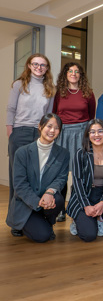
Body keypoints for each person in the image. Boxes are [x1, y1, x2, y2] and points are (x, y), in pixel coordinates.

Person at [6, 114, 69, 242]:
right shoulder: (22, 152)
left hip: (47, 200)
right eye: (49, 126)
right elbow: (19, 185)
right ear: (40, 127)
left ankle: (46, 222)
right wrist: (38, 202)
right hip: (26, 203)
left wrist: (49, 192)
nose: (52, 131)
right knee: (43, 236)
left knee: (59, 199)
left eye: (56, 128)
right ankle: (23, 223)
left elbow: (61, 179)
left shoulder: (63, 153)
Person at [7, 54, 55, 219]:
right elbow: (10, 110)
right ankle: (15, 219)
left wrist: (47, 135)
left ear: (47, 68)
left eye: (43, 65)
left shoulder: (50, 88)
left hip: (39, 134)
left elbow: (49, 115)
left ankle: (32, 217)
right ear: (29, 65)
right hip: (19, 132)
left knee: (35, 177)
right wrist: (11, 133)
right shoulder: (19, 85)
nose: (39, 67)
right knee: (17, 178)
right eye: (35, 64)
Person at [67, 119, 103, 242]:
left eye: (100, 131)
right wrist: (86, 205)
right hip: (83, 195)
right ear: (88, 136)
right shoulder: (81, 154)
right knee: (89, 236)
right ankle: (78, 221)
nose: (96, 135)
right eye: (92, 132)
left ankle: (100, 220)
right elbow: (77, 182)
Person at [53, 63, 96, 167]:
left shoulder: (88, 93)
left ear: (81, 75)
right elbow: (54, 113)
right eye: (70, 71)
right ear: (65, 74)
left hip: (81, 132)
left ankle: (77, 184)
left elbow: (91, 115)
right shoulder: (58, 93)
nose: (74, 74)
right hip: (62, 133)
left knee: (80, 165)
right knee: (60, 166)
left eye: (77, 71)